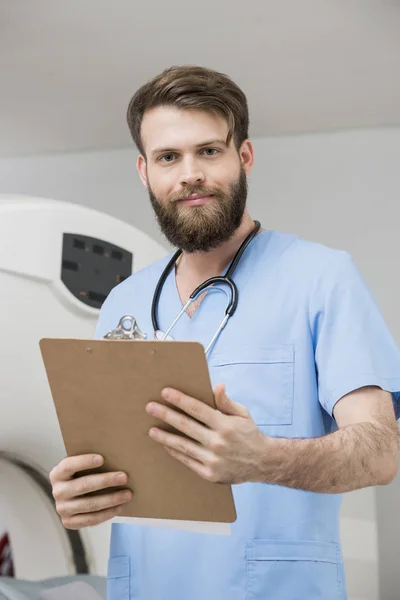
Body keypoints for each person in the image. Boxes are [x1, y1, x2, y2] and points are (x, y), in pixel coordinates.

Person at [49, 65, 400, 600]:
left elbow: (381, 452)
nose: (190, 173)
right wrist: (80, 495)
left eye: (209, 151)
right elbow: (116, 466)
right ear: (145, 172)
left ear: (245, 157)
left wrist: (265, 459)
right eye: (169, 157)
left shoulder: (321, 278)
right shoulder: (124, 302)